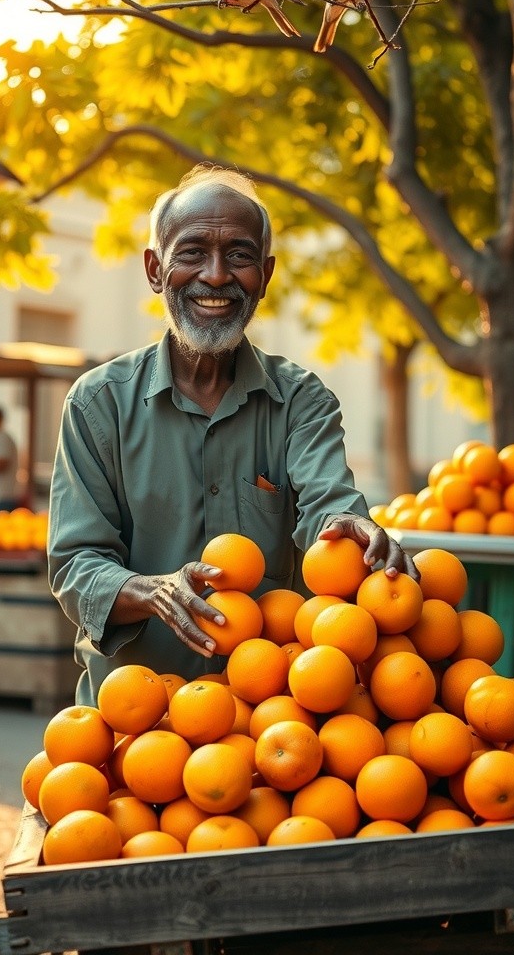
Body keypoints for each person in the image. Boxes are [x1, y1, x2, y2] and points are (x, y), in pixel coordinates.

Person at [48, 164, 418, 707]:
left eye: (239, 256)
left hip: (269, 723)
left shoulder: (300, 401)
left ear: (264, 275)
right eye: (192, 253)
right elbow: (77, 564)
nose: (217, 276)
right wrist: (153, 592)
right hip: (134, 721)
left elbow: (328, 507)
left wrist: (351, 527)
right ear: (155, 269)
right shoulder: (97, 404)